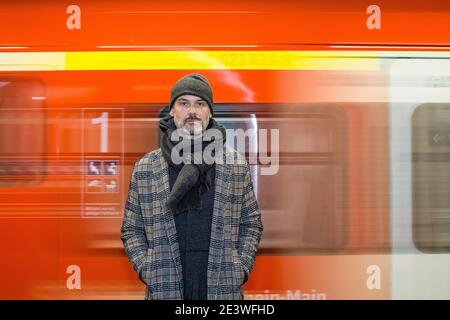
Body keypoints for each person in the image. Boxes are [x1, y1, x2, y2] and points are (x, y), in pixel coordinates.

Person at [121, 73, 263, 300]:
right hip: (165, 287)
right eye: (184, 103)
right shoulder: (145, 168)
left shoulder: (235, 165)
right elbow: (131, 229)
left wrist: (239, 269)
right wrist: (147, 269)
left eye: (200, 104)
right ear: (172, 110)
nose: (192, 112)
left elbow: (251, 223)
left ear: (210, 112)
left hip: (222, 289)